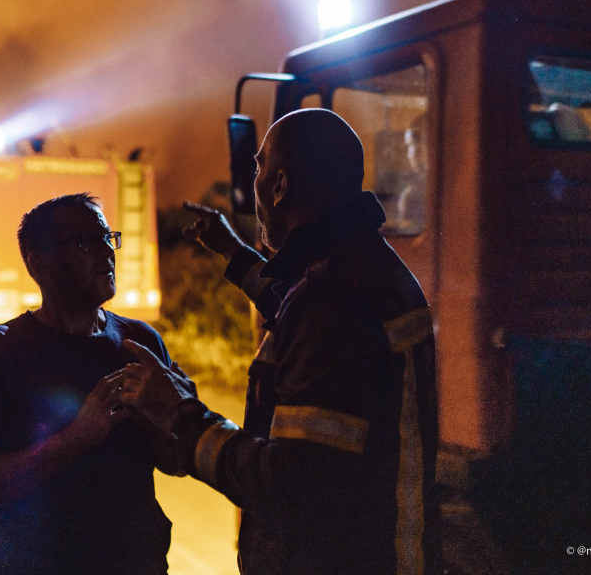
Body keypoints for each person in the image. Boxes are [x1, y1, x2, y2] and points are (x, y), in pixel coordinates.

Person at [117, 109, 442, 575]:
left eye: (259, 168)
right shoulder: (361, 265)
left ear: (280, 185)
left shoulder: (333, 299)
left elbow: (295, 486)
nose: (254, 183)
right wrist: (235, 254)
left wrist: (184, 420)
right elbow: (296, 314)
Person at [0, 193, 181, 575]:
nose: (106, 251)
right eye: (86, 242)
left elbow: (176, 461)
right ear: (40, 264)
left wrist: (170, 416)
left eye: (107, 237)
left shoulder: (141, 343)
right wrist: (73, 441)